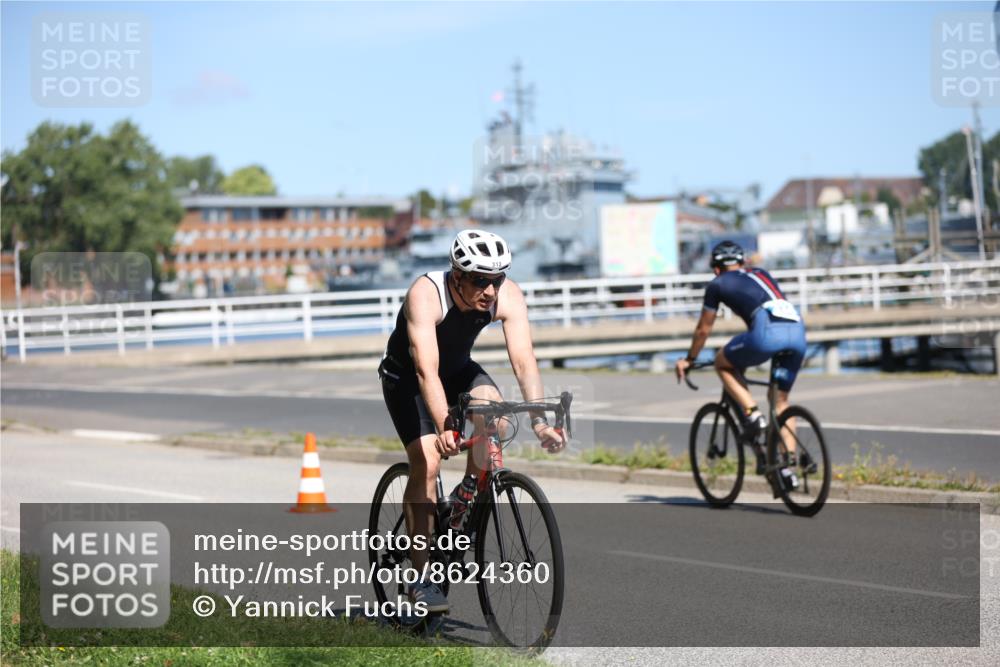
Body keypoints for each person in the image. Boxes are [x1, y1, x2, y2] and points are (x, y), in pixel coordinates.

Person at [379, 229, 566, 612]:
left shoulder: (507, 294)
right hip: (408, 379)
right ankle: (420, 581)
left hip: (460, 371)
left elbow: (523, 359)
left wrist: (539, 422)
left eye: (496, 280)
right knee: (428, 460)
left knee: (494, 418)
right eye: (480, 281)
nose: (490, 291)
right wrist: (446, 426)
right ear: (457, 276)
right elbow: (426, 372)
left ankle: (465, 493)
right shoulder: (425, 294)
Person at [674, 241, 809, 485]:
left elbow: (704, 330)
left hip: (766, 334)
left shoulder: (716, 285)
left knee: (722, 363)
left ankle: (753, 415)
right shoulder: (762, 273)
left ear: (715, 269)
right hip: (798, 332)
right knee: (780, 401)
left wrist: (690, 359)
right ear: (743, 262)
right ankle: (787, 467)